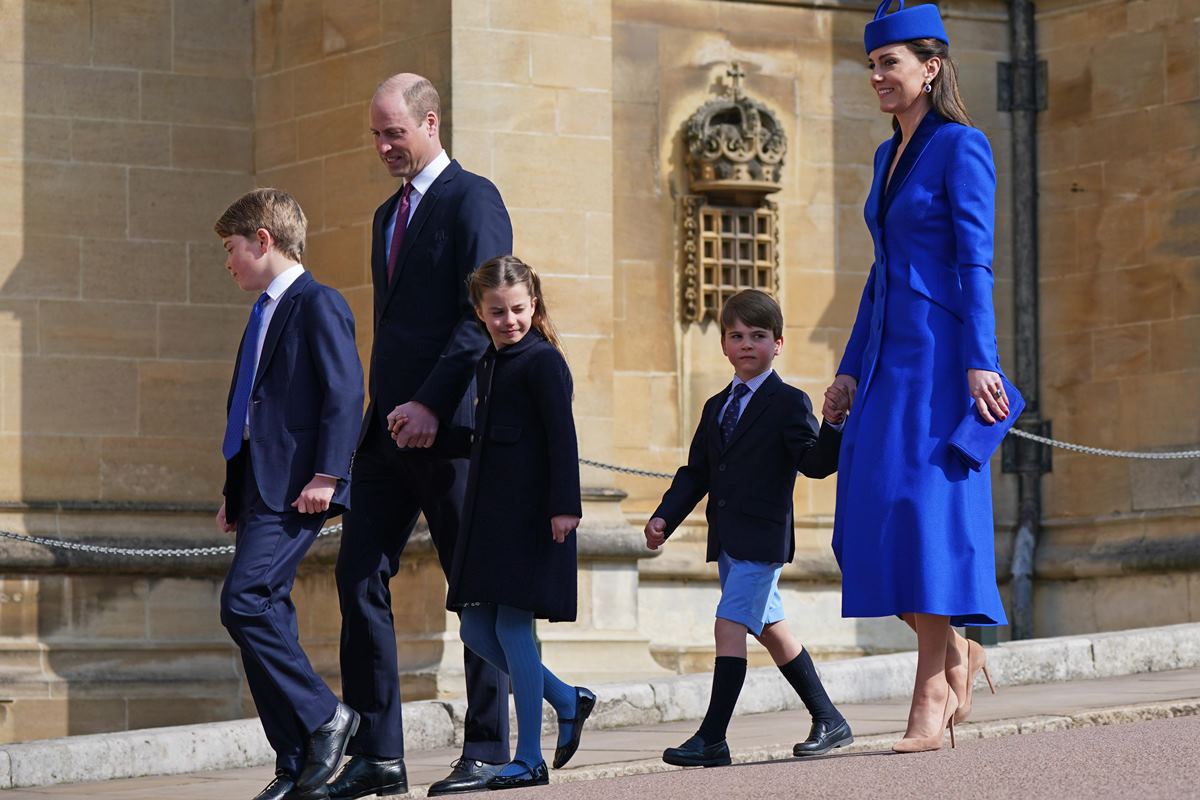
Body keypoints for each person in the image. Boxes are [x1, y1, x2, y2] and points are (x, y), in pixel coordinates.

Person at [822, 0, 1008, 755]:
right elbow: (880, 274)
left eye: (889, 64)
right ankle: (961, 648)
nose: (877, 77)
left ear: (929, 68)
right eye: (871, 65)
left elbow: (976, 263)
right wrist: (845, 370)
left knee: (924, 522)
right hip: (885, 361)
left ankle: (930, 690)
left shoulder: (962, 147)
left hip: (941, 360)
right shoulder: (883, 157)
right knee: (862, 523)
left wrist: (982, 359)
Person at [330, 74, 514, 799]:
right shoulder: (384, 217)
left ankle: (491, 749)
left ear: (430, 122)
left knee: (475, 588)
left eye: (393, 133)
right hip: (388, 432)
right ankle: (380, 755)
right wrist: (385, 411)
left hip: (456, 427)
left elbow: (484, 313)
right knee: (356, 574)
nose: (382, 147)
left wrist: (435, 402)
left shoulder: (475, 199)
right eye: (375, 135)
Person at [644, 289, 850, 768]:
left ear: (778, 344)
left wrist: (833, 424)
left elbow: (815, 464)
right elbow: (696, 473)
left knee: (728, 625)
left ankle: (712, 738)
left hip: (762, 541)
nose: (746, 344)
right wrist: (664, 517)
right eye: (736, 335)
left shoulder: (788, 402)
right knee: (772, 630)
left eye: (758, 336)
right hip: (728, 541)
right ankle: (830, 719)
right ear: (723, 344)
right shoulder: (717, 406)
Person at [213, 188, 364, 800]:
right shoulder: (260, 312)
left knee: (243, 602)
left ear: (263, 240)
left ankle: (327, 717)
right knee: (266, 610)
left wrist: (328, 474)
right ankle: (297, 758)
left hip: (299, 487)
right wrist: (233, 488)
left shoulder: (317, 302)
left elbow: (345, 393)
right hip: (257, 486)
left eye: (232, 249)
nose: (228, 262)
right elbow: (250, 408)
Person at [443, 255, 594, 790]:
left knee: (512, 627)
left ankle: (529, 756)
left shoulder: (543, 362)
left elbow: (562, 438)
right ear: (480, 312)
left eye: (519, 309)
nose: (510, 320)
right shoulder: (489, 361)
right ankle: (565, 697)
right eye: (498, 311)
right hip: (491, 518)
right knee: (475, 627)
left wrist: (565, 507)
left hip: (534, 517)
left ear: (534, 304)